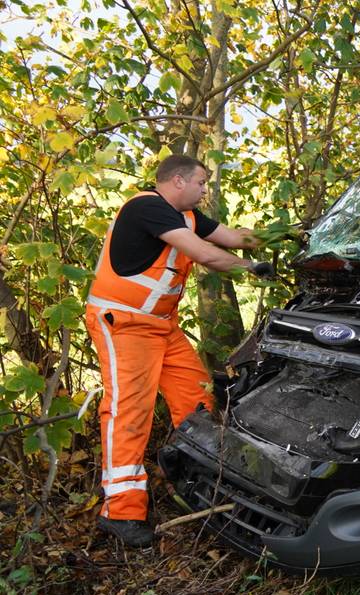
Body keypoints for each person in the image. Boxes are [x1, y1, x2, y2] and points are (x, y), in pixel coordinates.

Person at [84, 155, 273, 547]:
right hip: (124, 323)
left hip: (160, 326)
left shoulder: (188, 216)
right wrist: (252, 267)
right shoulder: (147, 207)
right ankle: (120, 512)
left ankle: (202, 482)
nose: (206, 190)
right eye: (202, 182)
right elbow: (207, 255)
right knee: (129, 412)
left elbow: (234, 236)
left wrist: (281, 235)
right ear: (177, 181)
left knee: (197, 397)